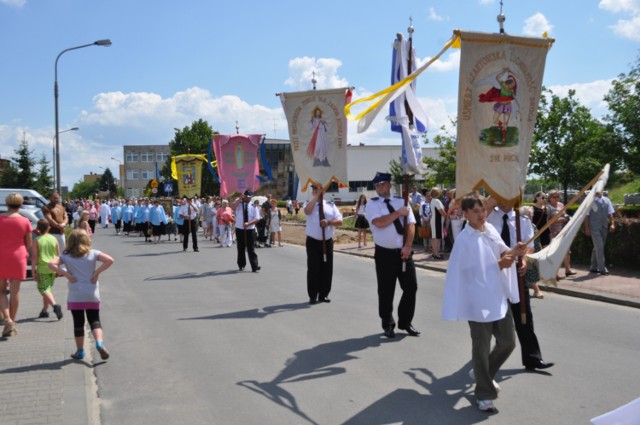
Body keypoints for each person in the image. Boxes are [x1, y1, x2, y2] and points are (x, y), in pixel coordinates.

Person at [441, 192, 527, 412]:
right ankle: (483, 394)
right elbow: (470, 273)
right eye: (476, 211)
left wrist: (516, 252)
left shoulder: (489, 229)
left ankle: (483, 374)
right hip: (477, 302)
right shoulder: (464, 240)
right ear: (466, 213)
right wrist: (501, 263)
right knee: (481, 348)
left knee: (508, 342)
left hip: (497, 295)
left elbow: (502, 250)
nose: (482, 214)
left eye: (483, 210)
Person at [488, 202, 555, 373]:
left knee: (524, 316)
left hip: (516, 273)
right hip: (495, 271)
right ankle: (490, 356)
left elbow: (528, 246)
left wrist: (524, 261)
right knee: (494, 318)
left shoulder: (522, 220)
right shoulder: (488, 215)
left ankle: (533, 358)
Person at [365, 172, 419, 338]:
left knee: (411, 287)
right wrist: (398, 213)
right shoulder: (372, 204)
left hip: (404, 252)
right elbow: (379, 223)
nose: (380, 187)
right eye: (377, 185)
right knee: (386, 291)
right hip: (384, 254)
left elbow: (411, 224)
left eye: (383, 184)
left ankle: (405, 321)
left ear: (389, 185)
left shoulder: (400, 201)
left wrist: (408, 246)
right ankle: (388, 324)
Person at [48, 229, 114, 360]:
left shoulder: (65, 256)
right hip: (91, 292)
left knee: (78, 323)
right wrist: (96, 273)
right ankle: (99, 343)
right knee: (94, 320)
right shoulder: (94, 253)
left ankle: (80, 351)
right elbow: (110, 260)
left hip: (75, 294)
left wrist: (66, 274)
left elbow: (50, 264)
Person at [304, 185, 343, 304]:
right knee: (313, 269)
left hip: (327, 242)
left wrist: (329, 222)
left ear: (324, 192)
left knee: (327, 269)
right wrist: (316, 197)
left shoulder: (331, 205)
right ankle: (313, 295)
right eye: (315, 190)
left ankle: (323, 294)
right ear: (313, 192)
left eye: (320, 190)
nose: (318, 192)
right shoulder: (308, 203)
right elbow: (307, 211)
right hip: (313, 242)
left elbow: (340, 221)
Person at [0, 193, 32, 337]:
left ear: (6, 204)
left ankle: (6, 318)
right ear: (21, 205)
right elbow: (29, 243)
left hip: (1, 255)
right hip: (18, 256)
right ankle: (11, 322)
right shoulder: (25, 221)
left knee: (0, 291)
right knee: (15, 292)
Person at [32, 219, 63, 320]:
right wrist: (58, 268)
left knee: (43, 289)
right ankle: (44, 310)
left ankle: (55, 306)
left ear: (37, 229)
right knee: (48, 289)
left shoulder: (37, 240)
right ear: (49, 228)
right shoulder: (54, 239)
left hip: (43, 268)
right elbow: (58, 255)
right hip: (53, 267)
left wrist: (33, 271)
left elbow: (34, 257)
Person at [584, 190, 615, 276]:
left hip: (604, 226)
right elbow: (586, 216)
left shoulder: (607, 200)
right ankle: (602, 268)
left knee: (597, 247)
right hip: (594, 227)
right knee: (600, 247)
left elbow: (610, 214)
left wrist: (612, 224)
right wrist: (587, 228)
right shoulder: (590, 201)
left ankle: (593, 267)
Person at [546, 190, 576, 278]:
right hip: (553, 232)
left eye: (557, 197)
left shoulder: (561, 205)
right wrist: (559, 220)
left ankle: (568, 270)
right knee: (555, 252)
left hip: (563, 230)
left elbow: (565, 215)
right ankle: (554, 272)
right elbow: (547, 222)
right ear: (549, 198)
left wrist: (566, 218)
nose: (556, 199)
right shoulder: (547, 208)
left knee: (566, 250)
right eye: (554, 197)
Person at [232, 191, 260, 272]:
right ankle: (241, 264)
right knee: (240, 248)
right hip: (240, 229)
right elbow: (232, 207)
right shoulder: (239, 204)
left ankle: (254, 266)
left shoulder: (253, 206)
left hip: (250, 230)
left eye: (249, 197)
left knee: (251, 248)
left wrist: (249, 223)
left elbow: (257, 218)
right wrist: (240, 198)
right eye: (247, 197)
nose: (248, 198)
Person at [429, 187, 447, 260]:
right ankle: (436, 254)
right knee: (436, 238)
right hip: (437, 221)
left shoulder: (432, 200)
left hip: (434, 220)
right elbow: (441, 211)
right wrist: (446, 216)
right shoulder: (437, 201)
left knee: (434, 238)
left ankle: (434, 253)